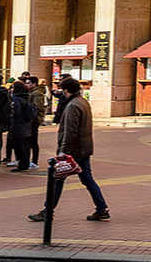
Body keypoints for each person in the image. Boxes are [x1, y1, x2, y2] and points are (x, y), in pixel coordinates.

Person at [28, 76, 108, 223]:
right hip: (84, 148)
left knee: (57, 179)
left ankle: (48, 211)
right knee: (87, 179)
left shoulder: (72, 106)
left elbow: (70, 131)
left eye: (62, 90)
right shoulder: (83, 102)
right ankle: (101, 208)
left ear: (66, 90)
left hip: (73, 150)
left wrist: (63, 151)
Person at [6, 77, 40, 172]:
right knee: (25, 146)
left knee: (19, 146)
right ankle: (25, 163)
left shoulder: (16, 99)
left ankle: (22, 164)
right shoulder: (26, 97)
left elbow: (16, 113)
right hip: (26, 126)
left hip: (18, 126)